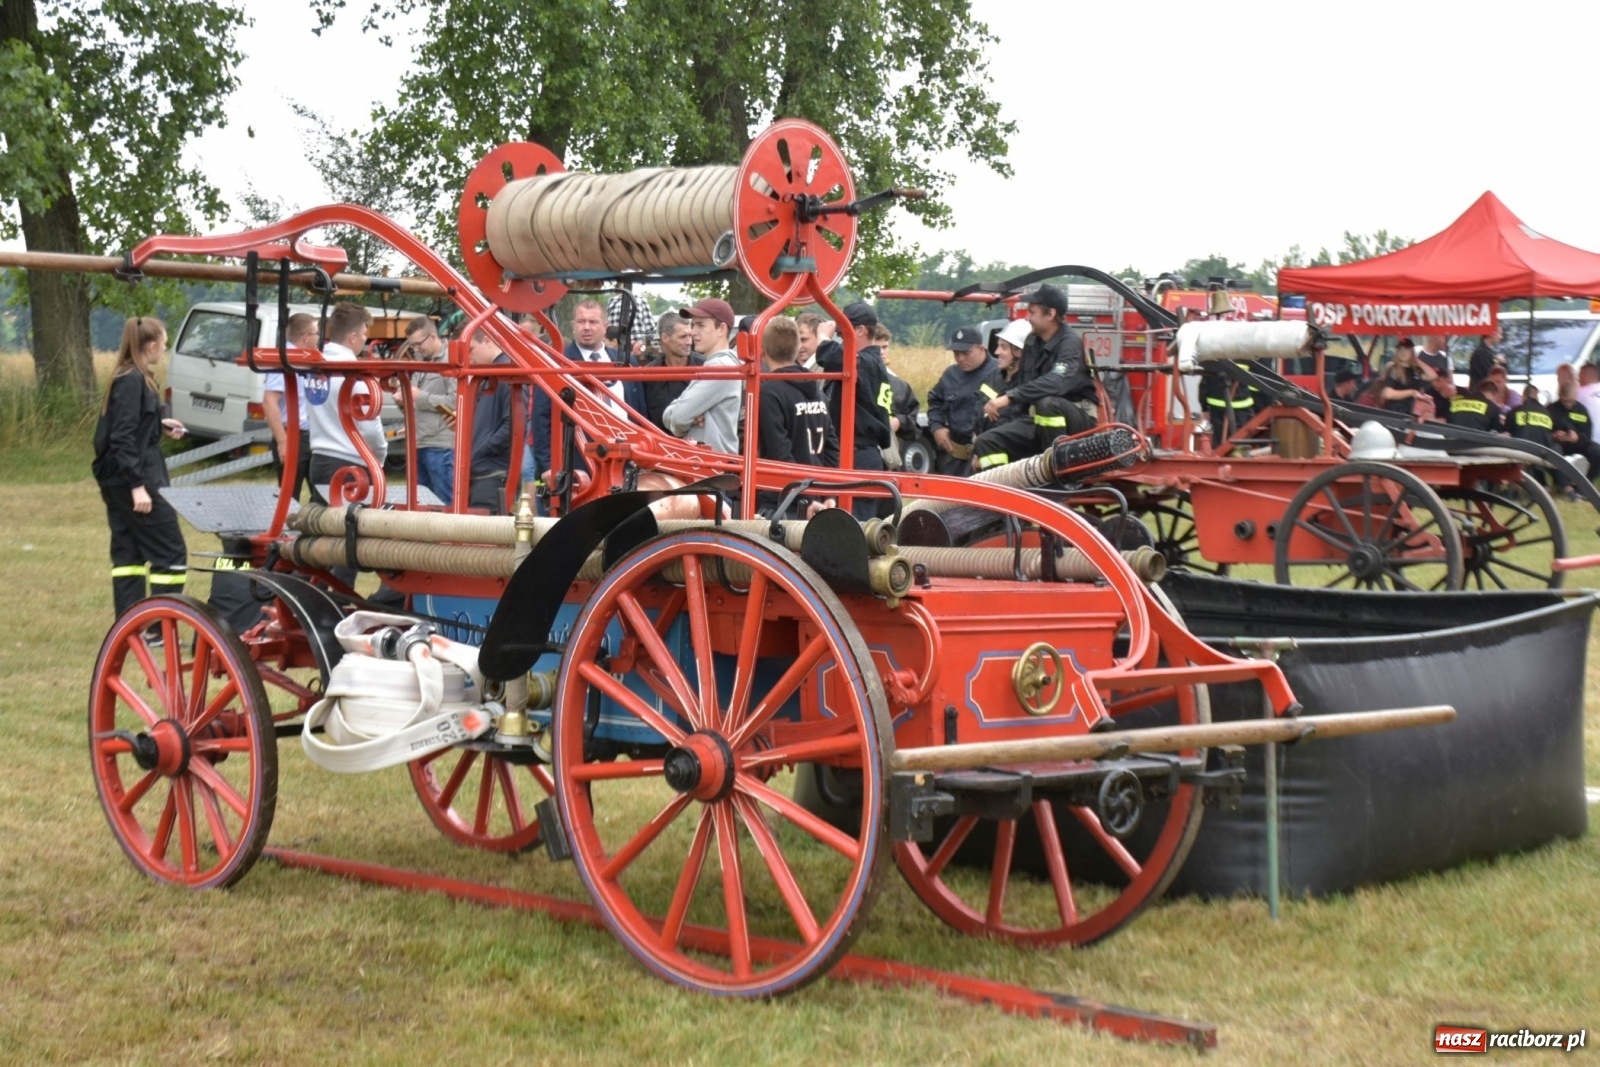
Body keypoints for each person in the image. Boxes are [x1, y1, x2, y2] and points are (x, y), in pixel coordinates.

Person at [92, 316, 188, 622]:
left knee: (128, 553)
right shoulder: (132, 379)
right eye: (164, 341)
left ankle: (131, 625)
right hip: (133, 475)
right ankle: (161, 627)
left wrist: (158, 423)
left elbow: (129, 423)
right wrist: (137, 486)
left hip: (118, 474)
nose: (165, 347)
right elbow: (121, 438)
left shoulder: (130, 375)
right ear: (151, 345)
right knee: (171, 553)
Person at [972, 284, 1095, 471]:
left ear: (1050, 314)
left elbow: (1056, 382)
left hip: (1077, 418)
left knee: (1048, 403)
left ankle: (1056, 473)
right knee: (986, 442)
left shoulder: (1070, 343)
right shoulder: (1031, 342)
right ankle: (1002, 493)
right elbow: (1025, 387)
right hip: (1039, 417)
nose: (1027, 318)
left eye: (1032, 312)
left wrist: (1007, 398)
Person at [814, 301, 895, 517]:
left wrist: (823, 338)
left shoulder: (866, 362)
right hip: (854, 453)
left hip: (859, 455)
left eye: (843, 333)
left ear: (860, 330)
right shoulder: (869, 363)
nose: (840, 340)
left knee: (856, 524)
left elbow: (833, 356)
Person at [755, 317, 839, 516]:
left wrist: (806, 498)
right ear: (795, 350)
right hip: (817, 497)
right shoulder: (817, 389)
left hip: (781, 502)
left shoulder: (769, 393)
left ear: (762, 350)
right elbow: (832, 448)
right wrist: (827, 494)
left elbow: (780, 452)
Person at [305, 302, 387, 505]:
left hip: (319, 460)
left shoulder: (315, 370)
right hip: (352, 465)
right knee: (352, 532)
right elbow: (370, 430)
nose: (364, 340)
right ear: (353, 337)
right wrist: (379, 457)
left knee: (323, 528)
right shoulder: (359, 378)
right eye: (364, 335)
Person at [662, 298, 742, 454]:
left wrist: (684, 417)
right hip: (712, 462)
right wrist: (688, 415)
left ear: (721, 329)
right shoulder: (720, 365)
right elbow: (671, 416)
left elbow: (677, 417)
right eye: (693, 325)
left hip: (712, 465)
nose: (693, 332)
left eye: (701, 325)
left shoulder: (720, 368)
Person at [926, 324, 1001, 476]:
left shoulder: (999, 373)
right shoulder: (950, 375)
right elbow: (935, 400)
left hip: (987, 459)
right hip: (954, 460)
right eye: (956, 353)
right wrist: (937, 426)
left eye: (966, 353)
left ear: (981, 349)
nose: (960, 359)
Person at [261, 312, 317, 502]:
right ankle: (284, 529)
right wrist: (283, 442)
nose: (319, 338)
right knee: (288, 497)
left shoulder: (302, 358)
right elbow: (269, 401)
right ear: (306, 337)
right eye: (316, 334)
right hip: (293, 434)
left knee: (319, 494)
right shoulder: (287, 359)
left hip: (306, 435)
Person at [402, 315, 456, 506]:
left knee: (444, 504)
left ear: (433, 336)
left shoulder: (452, 360)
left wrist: (418, 397)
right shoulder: (422, 361)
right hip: (420, 443)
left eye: (418, 344)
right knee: (422, 504)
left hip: (441, 446)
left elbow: (456, 402)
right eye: (413, 346)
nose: (416, 349)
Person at [467, 328, 514, 513]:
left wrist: (483, 448)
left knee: (484, 535)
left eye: (471, 349)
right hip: (484, 471)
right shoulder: (491, 373)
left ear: (487, 340)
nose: (468, 356)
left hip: (492, 473)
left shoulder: (506, 373)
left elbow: (512, 425)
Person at [641, 310, 703, 430]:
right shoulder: (649, 375)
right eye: (683, 337)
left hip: (698, 446)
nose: (689, 342)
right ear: (665, 338)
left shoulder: (705, 367)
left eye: (690, 336)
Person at [1551, 378, 1600, 482]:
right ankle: (1564, 485)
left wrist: (1578, 437)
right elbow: (1543, 433)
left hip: (1578, 444)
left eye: (1571, 401)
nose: (1568, 405)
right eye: (1565, 401)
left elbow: (1588, 434)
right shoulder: (1551, 409)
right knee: (1554, 451)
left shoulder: (1581, 410)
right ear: (1560, 395)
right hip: (1559, 445)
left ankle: (1585, 483)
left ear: (1576, 396)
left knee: (1596, 450)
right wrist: (1554, 435)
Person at [1377, 339, 1437, 418]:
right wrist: (1412, 393)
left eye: (1406, 349)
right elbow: (1387, 393)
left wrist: (1417, 360)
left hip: (1410, 413)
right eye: (1400, 349)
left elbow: (1433, 376)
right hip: (1395, 412)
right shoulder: (1394, 369)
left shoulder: (1415, 371)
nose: (1403, 352)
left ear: (1412, 352)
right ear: (1397, 352)